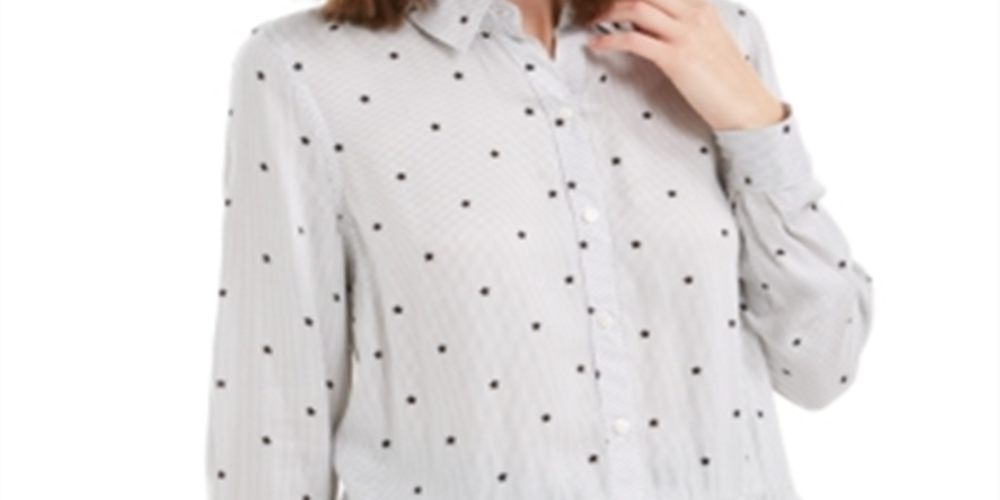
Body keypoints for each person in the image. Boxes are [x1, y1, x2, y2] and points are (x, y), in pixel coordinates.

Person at [204, 0, 876, 498]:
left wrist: (756, 125)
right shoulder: (302, 69)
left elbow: (823, 365)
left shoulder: (711, 33)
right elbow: (274, 426)